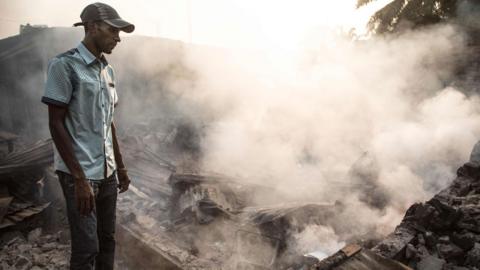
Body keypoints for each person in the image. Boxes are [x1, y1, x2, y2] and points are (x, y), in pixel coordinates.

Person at [41, 3, 134, 269]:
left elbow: (109, 124)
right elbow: (55, 124)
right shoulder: (64, 65)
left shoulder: (108, 70)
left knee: (107, 240)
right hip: (79, 174)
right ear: (92, 27)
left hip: (108, 172)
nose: (118, 38)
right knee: (86, 249)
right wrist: (80, 179)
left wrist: (121, 166)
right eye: (113, 30)